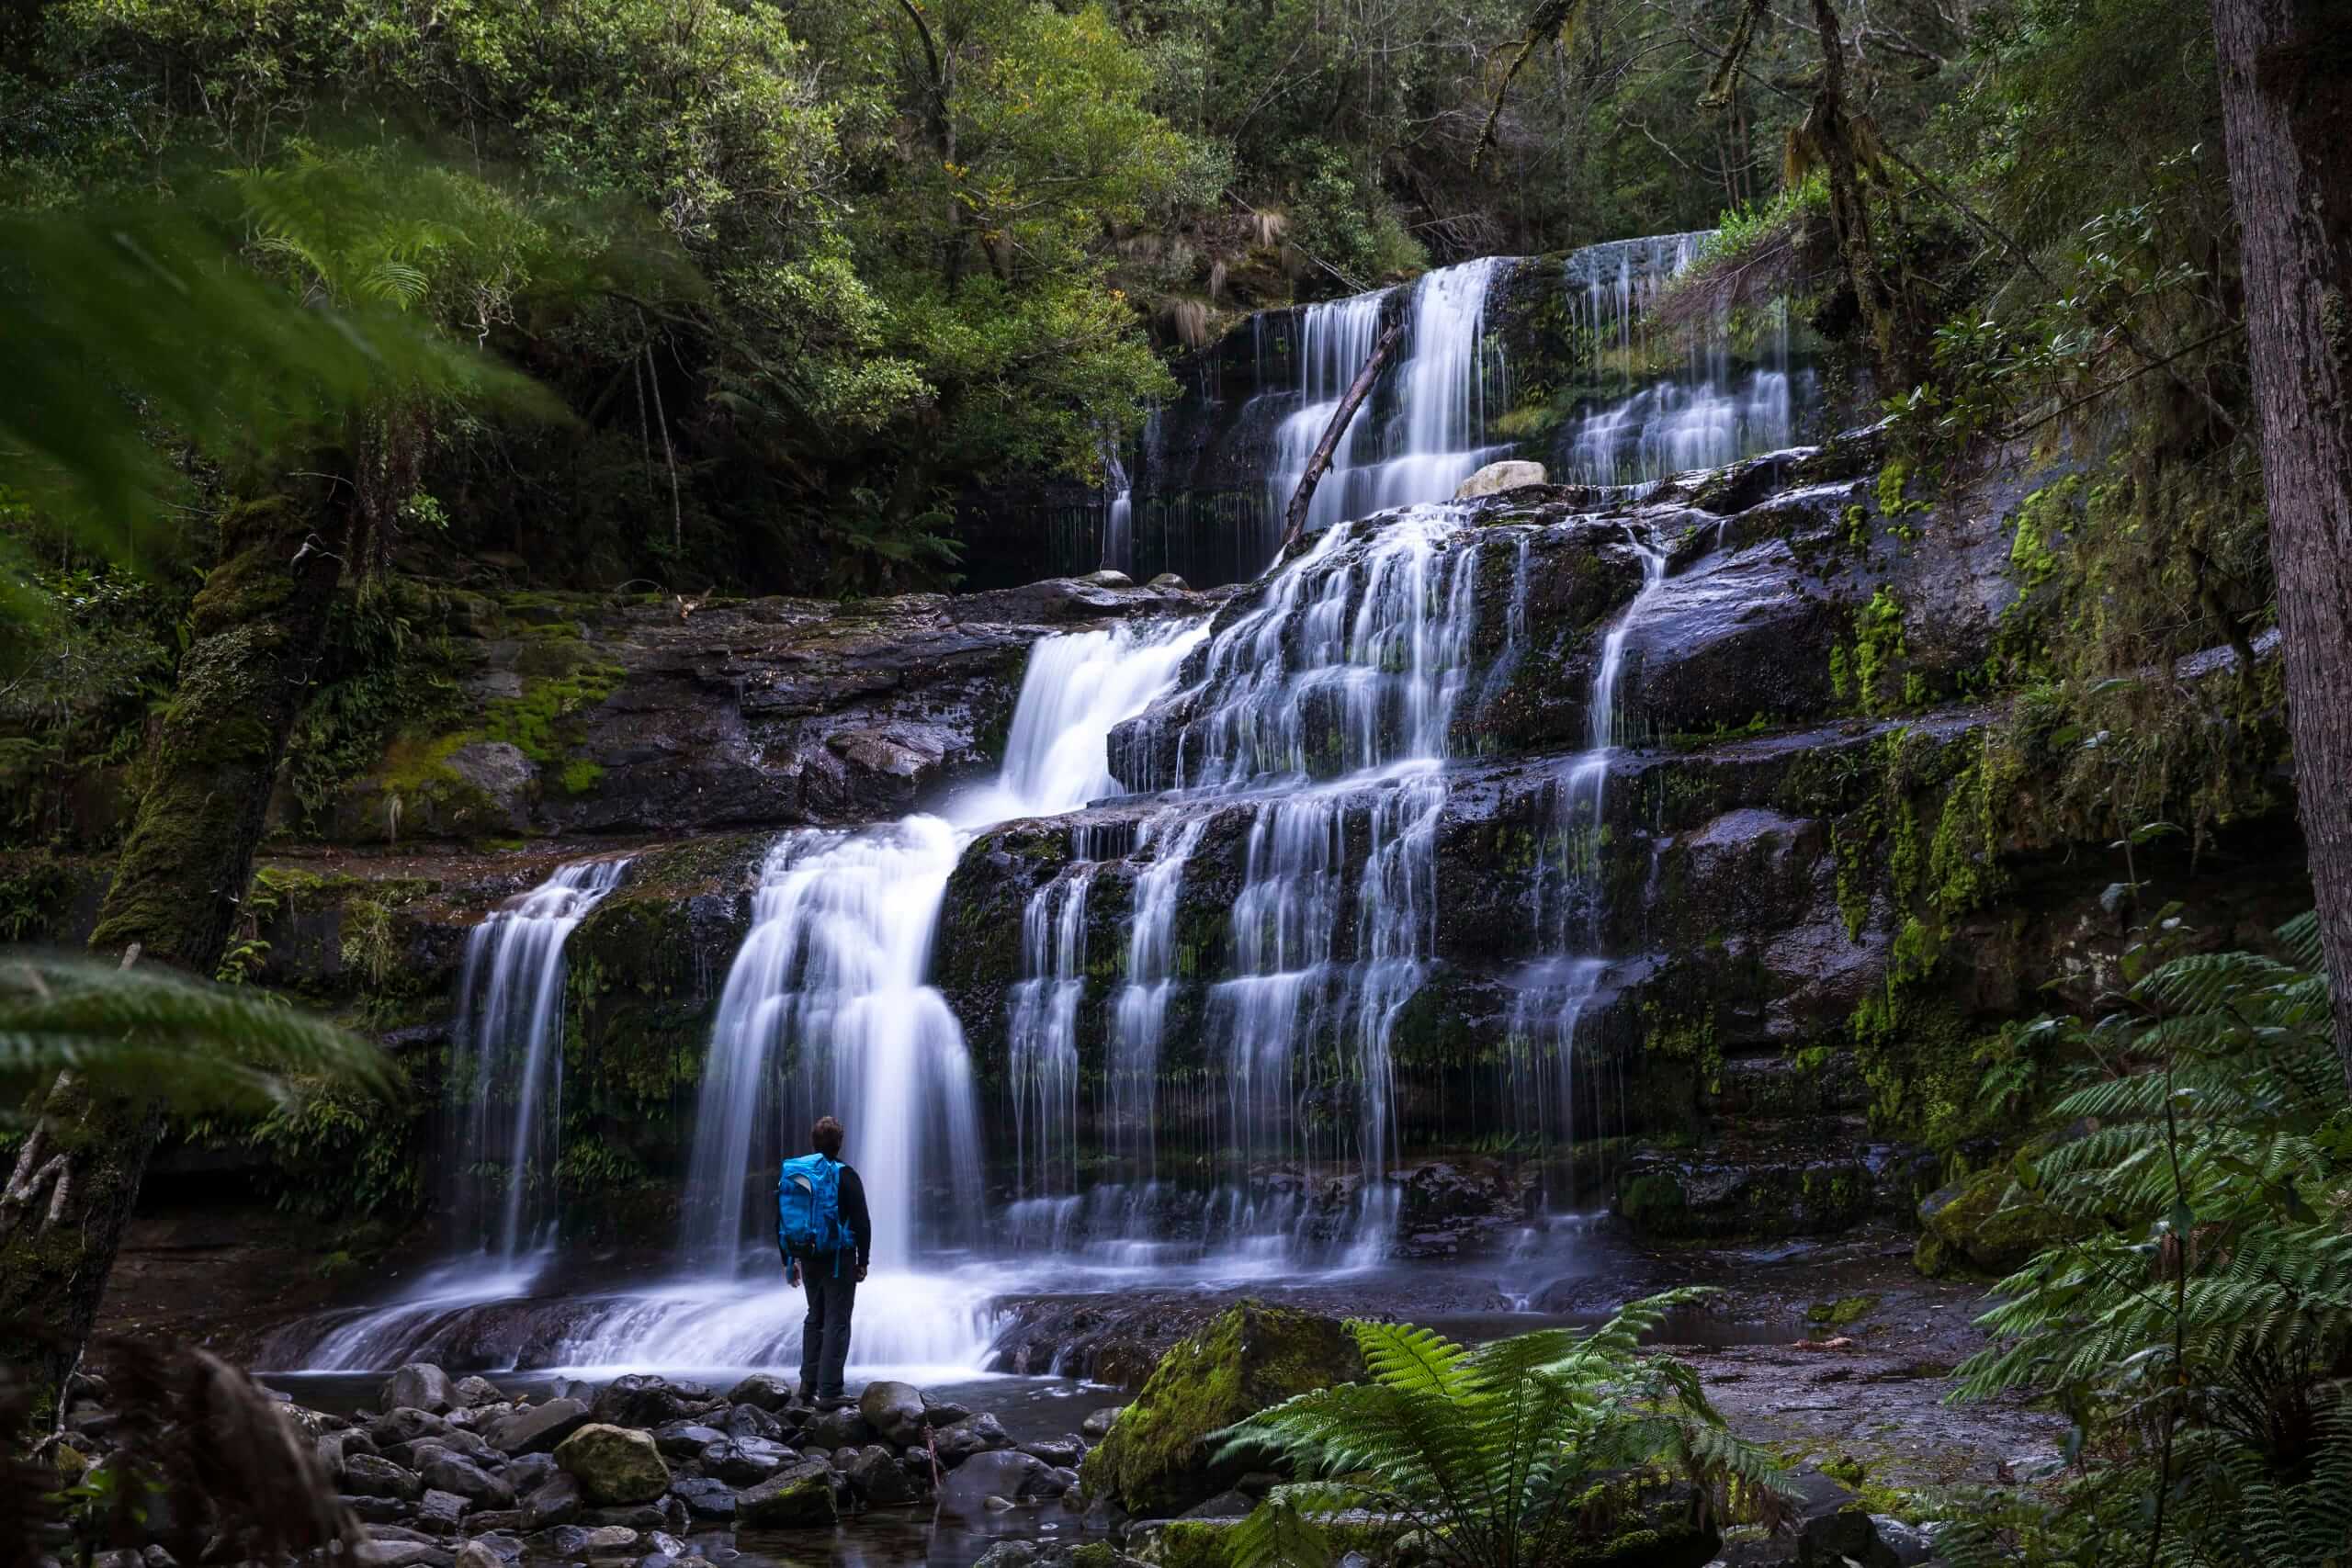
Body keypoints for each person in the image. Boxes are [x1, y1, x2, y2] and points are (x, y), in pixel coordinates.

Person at [778, 1114, 871, 1407]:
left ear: (813, 1142)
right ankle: (830, 1391)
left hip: (807, 1254)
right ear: (839, 1143)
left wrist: (788, 1259)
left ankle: (807, 1386)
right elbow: (861, 1220)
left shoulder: (796, 1173)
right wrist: (863, 1259)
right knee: (837, 1321)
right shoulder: (844, 1174)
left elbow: (781, 1217)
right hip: (837, 1258)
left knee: (814, 1317)